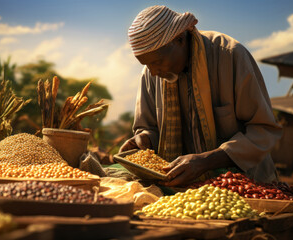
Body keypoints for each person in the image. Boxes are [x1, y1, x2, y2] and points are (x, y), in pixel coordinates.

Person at [119, 5, 282, 186]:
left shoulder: (230, 55)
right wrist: (145, 138)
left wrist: (206, 161)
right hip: (184, 188)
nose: (154, 72)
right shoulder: (150, 73)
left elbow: (263, 130)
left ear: (180, 39)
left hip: (247, 185)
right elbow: (148, 127)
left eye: (157, 62)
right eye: (147, 65)